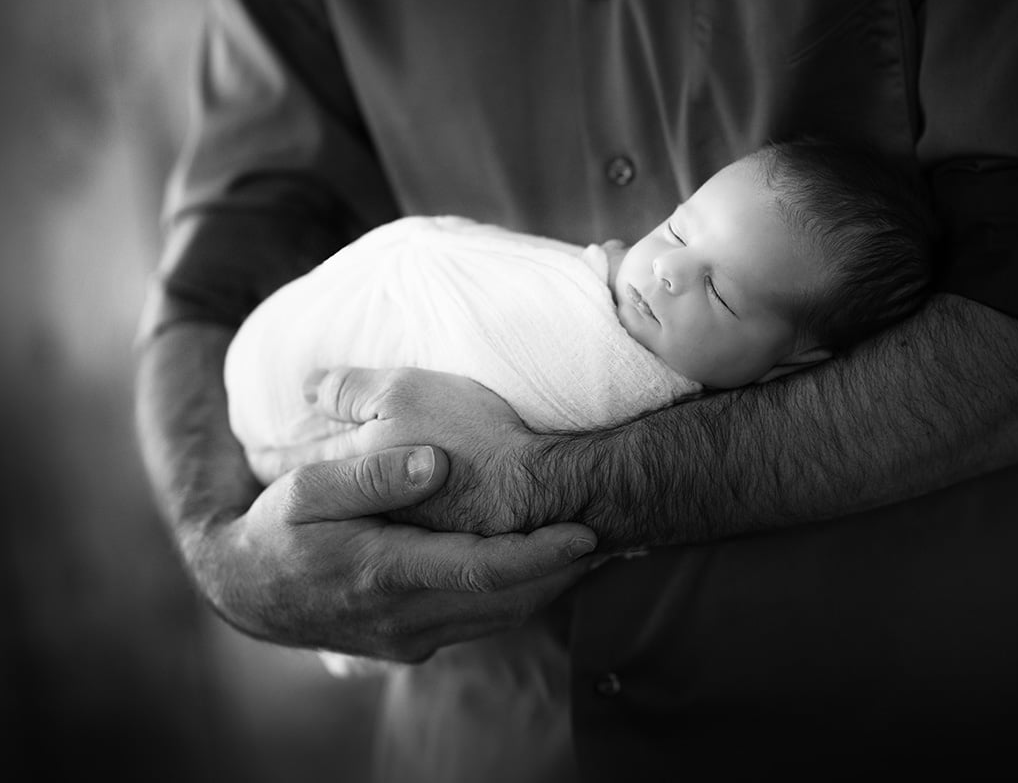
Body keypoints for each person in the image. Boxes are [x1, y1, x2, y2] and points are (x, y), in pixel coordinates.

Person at [134, 0, 1018, 780]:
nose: (662, 272)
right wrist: (223, 553)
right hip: (493, 742)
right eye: (674, 245)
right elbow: (221, 272)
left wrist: (543, 488)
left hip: (884, 726)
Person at [225, 138, 934, 781]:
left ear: (791, 367)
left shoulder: (636, 387)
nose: (668, 273)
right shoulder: (582, 290)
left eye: (719, 291)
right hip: (469, 723)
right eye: (680, 228)